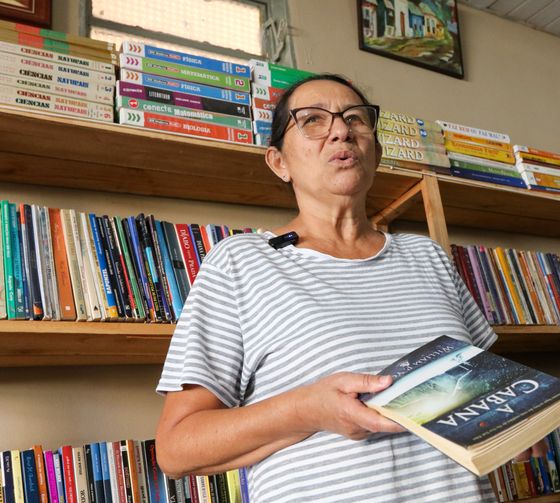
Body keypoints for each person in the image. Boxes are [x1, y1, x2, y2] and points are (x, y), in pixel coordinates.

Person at [155, 74, 498, 502]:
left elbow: (487, 398)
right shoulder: (240, 261)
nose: (342, 130)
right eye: (313, 120)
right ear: (279, 162)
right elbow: (176, 448)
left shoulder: (427, 255)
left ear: (375, 151)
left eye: (355, 118)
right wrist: (308, 410)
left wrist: (509, 427)